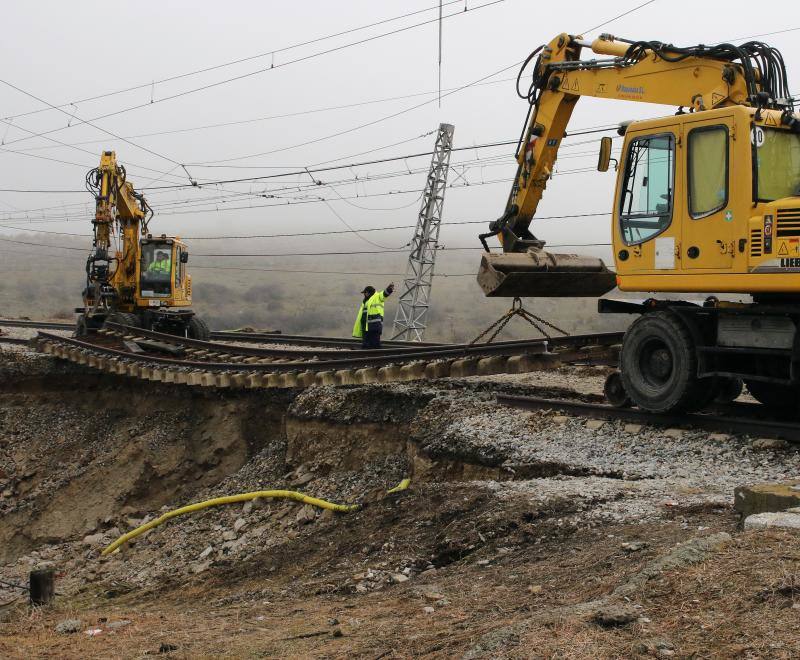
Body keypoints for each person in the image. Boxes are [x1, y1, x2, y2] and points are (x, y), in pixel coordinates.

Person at [352, 282, 394, 349]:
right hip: (366, 325)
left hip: (374, 325)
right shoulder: (365, 301)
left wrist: (389, 289)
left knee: (375, 343)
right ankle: (366, 356)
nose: (364, 294)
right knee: (366, 343)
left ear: (369, 292)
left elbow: (384, 295)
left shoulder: (377, 297)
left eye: (365, 293)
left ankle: (376, 357)